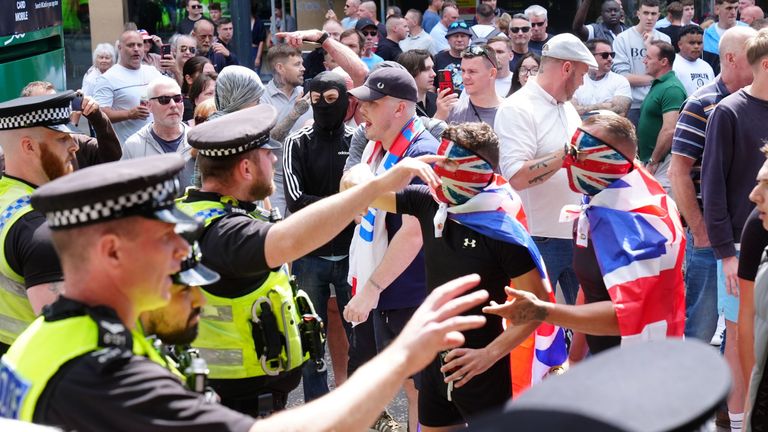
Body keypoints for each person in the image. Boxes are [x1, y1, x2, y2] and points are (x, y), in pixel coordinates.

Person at [0, 148, 490, 431]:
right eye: (165, 237)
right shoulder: (99, 372)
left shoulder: (53, 342)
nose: (181, 252)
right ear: (110, 252)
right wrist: (404, 355)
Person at [357, 122, 564, 430]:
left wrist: (488, 355)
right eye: (438, 164)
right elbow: (358, 191)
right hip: (435, 360)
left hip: (481, 368)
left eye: (449, 165)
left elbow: (536, 310)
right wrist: (368, 172)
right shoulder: (428, 203)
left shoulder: (503, 232)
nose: (438, 175)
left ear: (476, 172)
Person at [485, 112, 686, 354]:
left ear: (610, 160)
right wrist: (577, 355)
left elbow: (628, 313)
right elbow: (592, 288)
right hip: (607, 358)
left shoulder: (637, 223)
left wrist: (543, 311)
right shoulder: (603, 201)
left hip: (642, 366)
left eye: (577, 155)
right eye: (567, 152)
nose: (566, 163)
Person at [342, 67, 441, 432]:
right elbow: (350, 191)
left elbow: (414, 234)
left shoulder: (421, 151)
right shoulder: (375, 145)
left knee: (420, 390)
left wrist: (372, 288)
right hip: (392, 289)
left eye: (373, 102)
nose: (361, 108)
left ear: (400, 109)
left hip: (410, 290)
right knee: (409, 386)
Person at [669, 26, 757, 343]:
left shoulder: (757, 101)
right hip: (709, 236)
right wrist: (701, 231)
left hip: (746, 235)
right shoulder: (701, 103)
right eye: (754, 57)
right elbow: (678, 173)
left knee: (739, 328)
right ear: (731, 59)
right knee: (703, 327)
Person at [494, 33, 596, 307]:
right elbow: (516, 177)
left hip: (577, 234)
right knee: (535, 333)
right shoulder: (517, 108)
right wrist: (567, 154)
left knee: (587, 331)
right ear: (566, 69)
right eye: (582, 74)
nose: (582, 82)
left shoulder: (565, 106)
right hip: (539, 240)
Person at [701, 27, 768, 431]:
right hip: (740, 249)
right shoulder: (728, 111)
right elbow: (712, 187)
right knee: (739, 339)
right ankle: (739, 423)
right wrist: (725, 252)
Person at [282, 72, 356, 402]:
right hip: (309, 252)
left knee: (359, 334)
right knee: (310, 335)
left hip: (352, 252)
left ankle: (357, 402)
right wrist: (345, 203)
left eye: (330, 100)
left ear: (344, 100)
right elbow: (296, 200)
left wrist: (339, 204)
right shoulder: (296, 142)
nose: (323, 106)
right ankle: (316, 404)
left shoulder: (359, 141)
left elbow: (366, 195)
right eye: (316, 100)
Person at [0, 92, 78, 355]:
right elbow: (64, 333)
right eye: (62, 139)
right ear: (29, 146)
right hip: (37, 375)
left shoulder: (6, 197)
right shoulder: (39, 228)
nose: (74, 146)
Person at [20, 82, 122, 171]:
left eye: (56, 102)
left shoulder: (75, 140)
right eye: (46, 105)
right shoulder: (18, 157)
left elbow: (112, 157)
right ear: (28, 146)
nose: (74, 147)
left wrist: (97, 116)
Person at [122, 76, 195, 189]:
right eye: (164, 100)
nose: (173, 105)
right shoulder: (134, 145)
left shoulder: (196, 141)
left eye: (177, 99)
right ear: (149, 106)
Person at [93, 30, 163, 145]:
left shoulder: (152, 72)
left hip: (156, 145)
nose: (136, 49)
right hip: (127, 148)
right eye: (130, 45)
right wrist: (129, 114)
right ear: (120, 48)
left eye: (139, 45)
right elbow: (99, 114)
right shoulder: (107, 78)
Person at [637, 40, 687, 190]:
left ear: (664, 61)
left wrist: (653, 161)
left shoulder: (672, 88)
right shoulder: (659, 84)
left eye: (649, 58)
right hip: (654, 162)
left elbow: (670, 130)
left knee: (662, 210)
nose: (644, 61)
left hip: (663, 163)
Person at [612, 0, 671, 126]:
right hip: (632, 105)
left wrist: (649, 46)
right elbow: (623, 77)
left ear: (659, 15)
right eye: (646, 13)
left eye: (653, 14)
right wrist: (656, 77)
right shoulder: (622, 39)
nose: (649, 18)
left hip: (658, 103)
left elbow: (668, 73)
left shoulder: (665, 39)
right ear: (638, 14)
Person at [435, 45, 501, 127]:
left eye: (472, 71)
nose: (465, 77)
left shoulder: (508, 111)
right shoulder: (452, 110)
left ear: (492, 73)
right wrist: (439, 116)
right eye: (463, 71)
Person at [572, 39, 632, 117]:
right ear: (590, 56)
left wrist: (583, 109)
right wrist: (605, 106)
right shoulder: (575, 79)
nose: (610, 59)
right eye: (605, 55)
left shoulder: (621, 81)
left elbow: (620, 111)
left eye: (612, 55)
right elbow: (570, 110)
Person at [704, 0, 749, 74]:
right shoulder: (706, 34)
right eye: (729, 8)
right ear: (717, 9)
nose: (733, 12)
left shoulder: (748, 31)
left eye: (736, 8)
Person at [673, 25, 715, 97]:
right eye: (692, 43)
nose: (696, 46)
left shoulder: (707, 67)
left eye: (699, 43)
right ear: (680, 44)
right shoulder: (672, 64)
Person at [397, 49, 438, 117]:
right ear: (410, 72)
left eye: (432, 68)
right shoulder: (399, 107)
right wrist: (439, 116)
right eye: (426, 69)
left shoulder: (436, 100)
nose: (433, 74)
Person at [434, 21, 471, 93]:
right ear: (448, 40)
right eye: (456, 36)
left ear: (469, 39)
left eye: (463, 36)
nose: (459, 40)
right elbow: (432, 86)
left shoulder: (475, 58)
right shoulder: (438, 59)